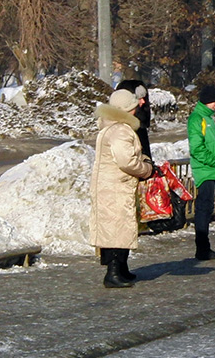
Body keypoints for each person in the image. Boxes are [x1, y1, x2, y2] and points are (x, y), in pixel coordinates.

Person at [89, 89, 155, 288]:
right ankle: (113, 272)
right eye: (134, 107)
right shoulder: (121, 130)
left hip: (109, 186)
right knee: (118, 228)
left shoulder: (109, 126)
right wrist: (146, 169)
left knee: (116, 227)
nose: (137, 109)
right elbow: (126, 161)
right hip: (117, 185)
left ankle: (122, 268)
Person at [187, 83, 215, 260]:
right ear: (207, 101)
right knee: (203, 209)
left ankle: (204, 247)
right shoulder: (198, 119)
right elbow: (197, 148)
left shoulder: (207, 118)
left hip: (210, 170)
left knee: (206, 208)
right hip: (205, 171)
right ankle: (202, 248)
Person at [116, 80, 151, 160]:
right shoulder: (119, 130)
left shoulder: (140, 127)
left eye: (144, 97)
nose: (143, 101)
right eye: (138, 98)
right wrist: (147, 168)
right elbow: (127, 163)